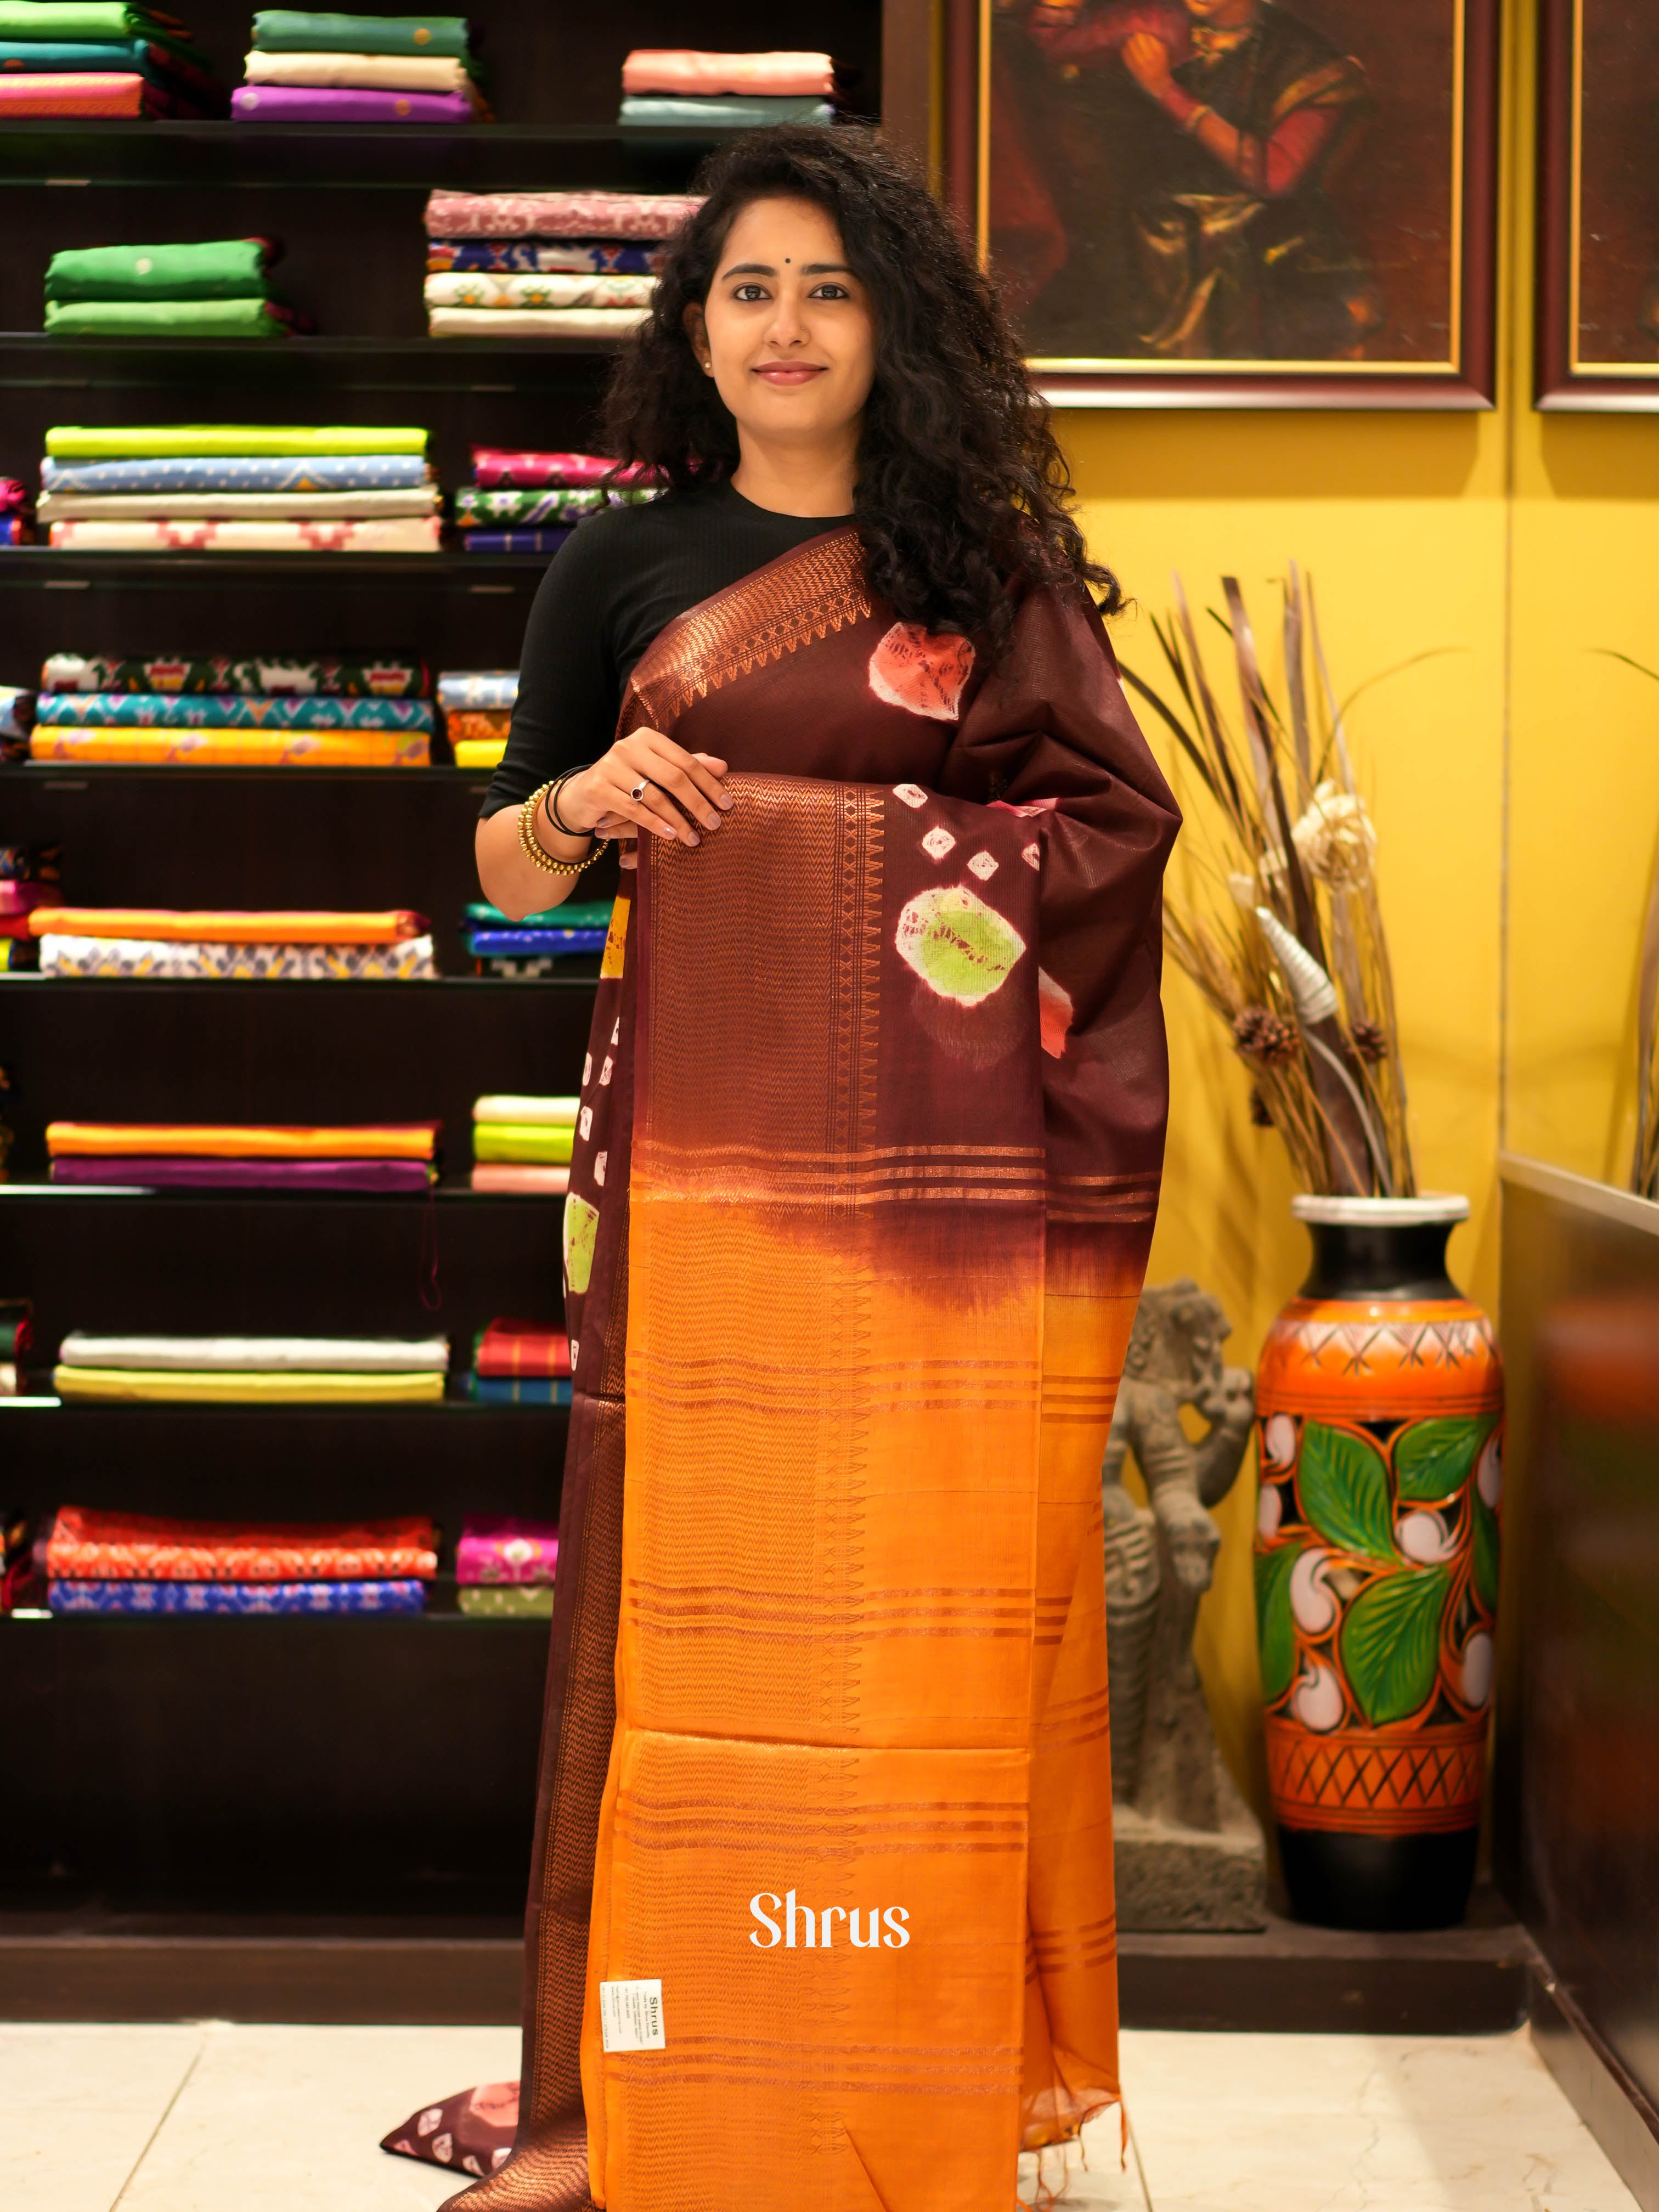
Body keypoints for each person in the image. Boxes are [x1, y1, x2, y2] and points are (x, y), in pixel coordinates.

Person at [411, 123, 1178, 2211]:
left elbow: (1107, 840)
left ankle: (905, 2062)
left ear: (891, 322)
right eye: (743, 287)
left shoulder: (980, 571)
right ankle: (671, 2071)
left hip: (930, 1224)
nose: (780, 325)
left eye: (823, 287)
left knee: (914, 1610)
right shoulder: (618, 566)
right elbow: (490, 865)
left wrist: (812, 853)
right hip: (698, 1181)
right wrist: (587, 805)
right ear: (694, 328)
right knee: (695, 1590)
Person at [996, 0, 1376, 359]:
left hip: (1265, 249)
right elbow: (1050, 43)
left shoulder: (1310, 65)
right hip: (1152, 238)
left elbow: (1273, 176)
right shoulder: (1157, 22)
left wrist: (1166, 91)